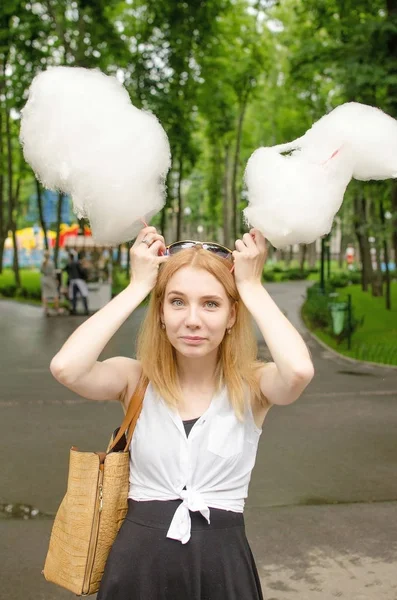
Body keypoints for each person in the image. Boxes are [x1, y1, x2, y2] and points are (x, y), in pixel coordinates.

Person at [50, 226, 314, 600]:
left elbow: (299, 372)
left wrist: (252, 287)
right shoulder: (135, 379)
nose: (192, 319)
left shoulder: (252, 386)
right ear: (160, 313)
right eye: (177, 302)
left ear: (231, 315)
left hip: (222, 568)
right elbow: (67, 368)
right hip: (137, 567)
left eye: (211, 304)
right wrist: (138, 287)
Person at [63, 251, 89, 315]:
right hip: (79, 281)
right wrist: (85, 277)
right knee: (83, 295)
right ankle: (86, 309)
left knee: (74, 296)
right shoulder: (77, 263)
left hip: (73, 281)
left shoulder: (69, 264)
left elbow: (64, 270)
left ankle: (74, 309)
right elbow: (82, 272)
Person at [40, 250, 61, 316]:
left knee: (45, 295)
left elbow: (41, 271)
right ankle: (56, 308)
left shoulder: (42, 263)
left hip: (44, 279)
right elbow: (53, 272)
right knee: (55, 294)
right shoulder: (51, 263)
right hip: (50, 279)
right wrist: (56, 280)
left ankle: (46, 309)